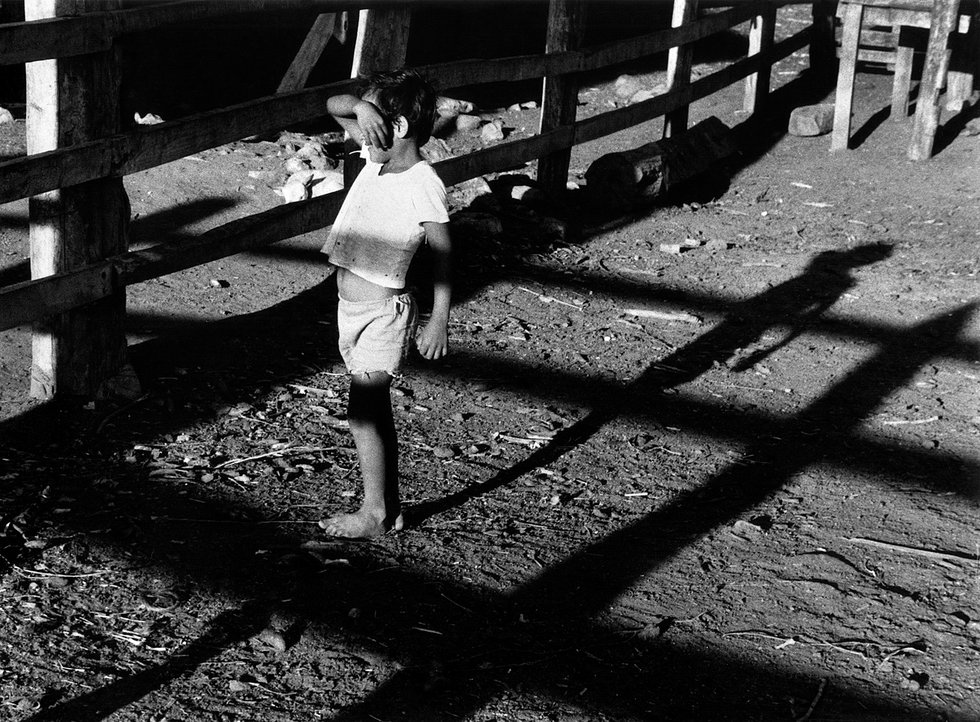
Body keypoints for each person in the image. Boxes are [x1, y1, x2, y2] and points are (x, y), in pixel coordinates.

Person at [318, 69, 452, 539]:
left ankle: (375, 511)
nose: (362, 126)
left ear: (397, 128)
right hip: (349, 312)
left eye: (375, 118)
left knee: (363, 411)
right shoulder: (376, 159)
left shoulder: (422, 181)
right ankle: (387, 507)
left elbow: (443, 254)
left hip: (383, 315)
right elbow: (331, 104)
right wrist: (361, 106)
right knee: (368, 411)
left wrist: (438, 320)